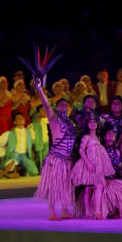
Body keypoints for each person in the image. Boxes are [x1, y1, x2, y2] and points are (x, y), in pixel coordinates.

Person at [32, 80, 76, 220]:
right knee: (54, 185)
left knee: (65, 186)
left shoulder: (71, 123)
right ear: (56, 108)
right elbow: (45, 104)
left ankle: (64, 210)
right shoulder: (54, 119)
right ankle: (52, 212)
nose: (64, 106)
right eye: (61, 105)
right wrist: (39, 89)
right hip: (56, 158)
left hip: (67, 159)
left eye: (66, 105)